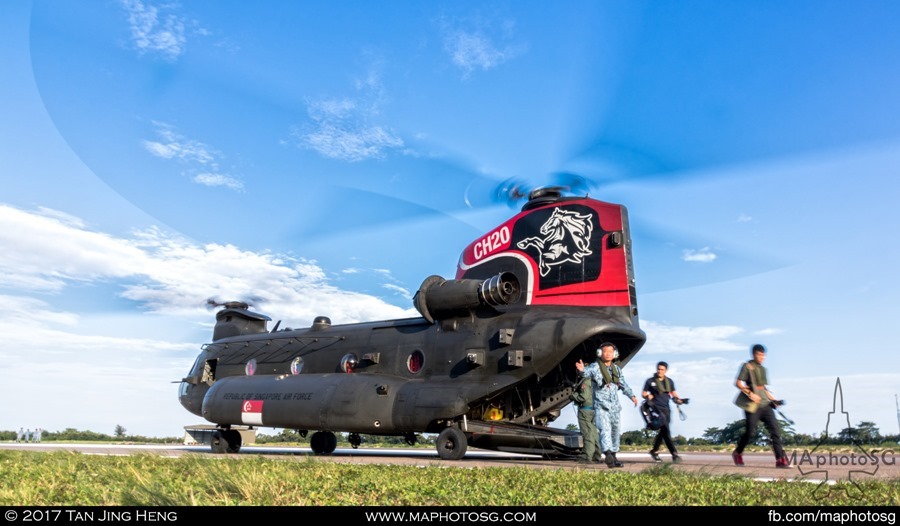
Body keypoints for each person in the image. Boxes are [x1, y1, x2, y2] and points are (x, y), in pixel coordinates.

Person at [576, 342, 638, 468]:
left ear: (614, 354)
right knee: (604, 430)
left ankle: (614, 456)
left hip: (615, 407)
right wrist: (581, 371)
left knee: (615, 431)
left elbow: (623, 385)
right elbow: (586, 373)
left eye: (610, 351)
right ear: (600, 353)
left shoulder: (617, 370)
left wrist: (632, 396)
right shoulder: (594, 367)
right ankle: (607, 454)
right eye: (605, 351)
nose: (608, 354)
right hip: (601, 406)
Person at [733, 343, 789, 468]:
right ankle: (738, 453)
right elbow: (737, 383)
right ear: (754, 354)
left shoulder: (763, 370)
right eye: (760, 355)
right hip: (753, 406)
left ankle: (780, 459)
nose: (762, 358)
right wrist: (750, 394)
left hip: (766, 405)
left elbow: (763, 388)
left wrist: (774, 400)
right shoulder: (747, 366)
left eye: (764, 356)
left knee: (775, 431)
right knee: (750, 432)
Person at [642, 361, 685, 464]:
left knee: (663, 431)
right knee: (666, 430)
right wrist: (647, 396)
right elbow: (643, 393)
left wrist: (679, 400)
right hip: (655, 409)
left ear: (665, 370)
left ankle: (654, 451)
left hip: (666, 409)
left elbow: (673, 393)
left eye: (662, 369)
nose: (659, 371)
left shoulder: (669, 382)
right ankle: (674, 454)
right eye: (658, 369)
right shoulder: (650, 381)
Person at [570, 373, 603, 464]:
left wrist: (573, 396)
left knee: (587, 433)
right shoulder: (595, 381)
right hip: (593, 410)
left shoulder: (585, 382)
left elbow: (583, 397)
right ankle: (596, 455)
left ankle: (586, 456)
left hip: (585, 411)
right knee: (594, 433)